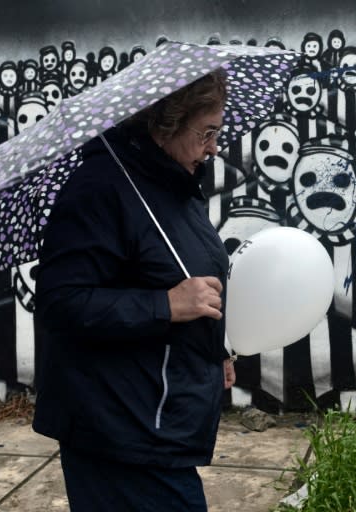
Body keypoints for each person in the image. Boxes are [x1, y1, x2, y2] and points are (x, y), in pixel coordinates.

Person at [32, 69, 236, 511]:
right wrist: (164, 305)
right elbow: (60, 302)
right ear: (167, 124)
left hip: (157, 416)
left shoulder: (176, 186)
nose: (214, 147)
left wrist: (212, 349)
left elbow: (181, 274)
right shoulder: (100, 188)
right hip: (115, 428)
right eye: (207, 133)